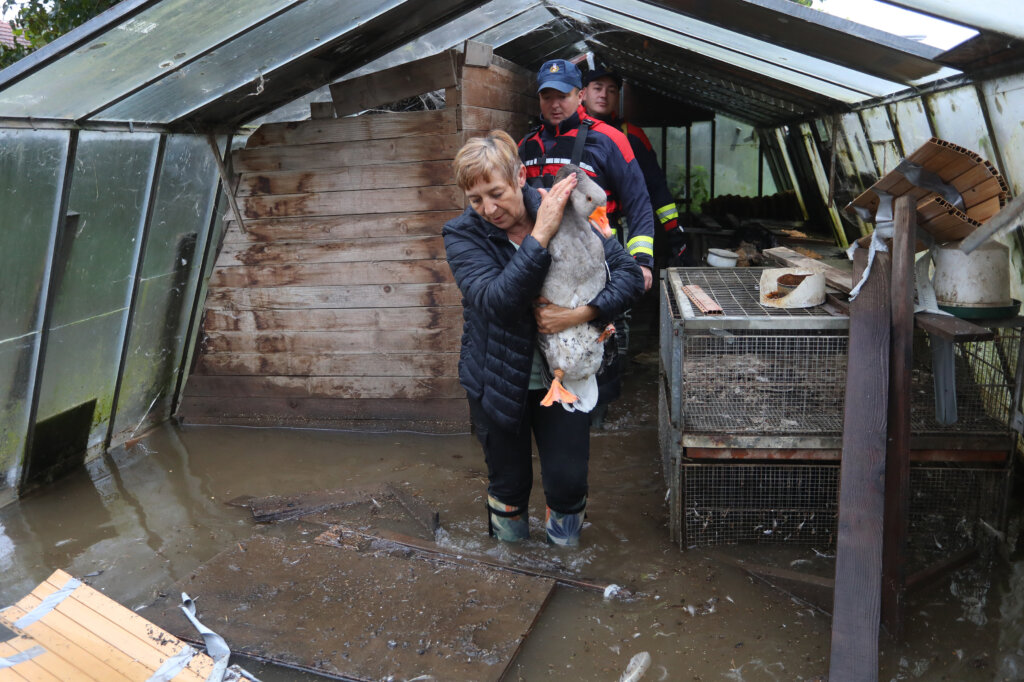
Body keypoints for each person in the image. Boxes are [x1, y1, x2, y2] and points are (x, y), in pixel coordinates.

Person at [442, 130, 644, 547]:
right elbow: (498, 301)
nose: (489, 209)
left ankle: (563, 563)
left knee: (568, 483)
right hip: (497, 379)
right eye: (476, 199)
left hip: (567, 376)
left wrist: (579, 314)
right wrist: (541, 234)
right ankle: (512, 569)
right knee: (508, 483)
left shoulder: (569, 211)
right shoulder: (463, 235)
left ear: (519, 175)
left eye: (496, 193)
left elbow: (629, 278)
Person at [518, 58, 655, 424]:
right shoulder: (527, 146)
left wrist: (641, 262)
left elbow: (640, 203)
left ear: (579, 95)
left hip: (598, 264)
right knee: (550, 334)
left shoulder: (610, 140)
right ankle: (556, 402)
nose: (555, 104)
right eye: (547, 96)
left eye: (563, 95)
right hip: (546, 268)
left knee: (603, 333)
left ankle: (597, 413)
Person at [580, 60, 687, 266]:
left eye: (611, 90)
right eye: (598, 88)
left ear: (617, 97)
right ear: (582, 93)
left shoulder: (632, 136)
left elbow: (657, 188)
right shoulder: (569, 134)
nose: (604, 95)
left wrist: (674, 232)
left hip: (621, 236)